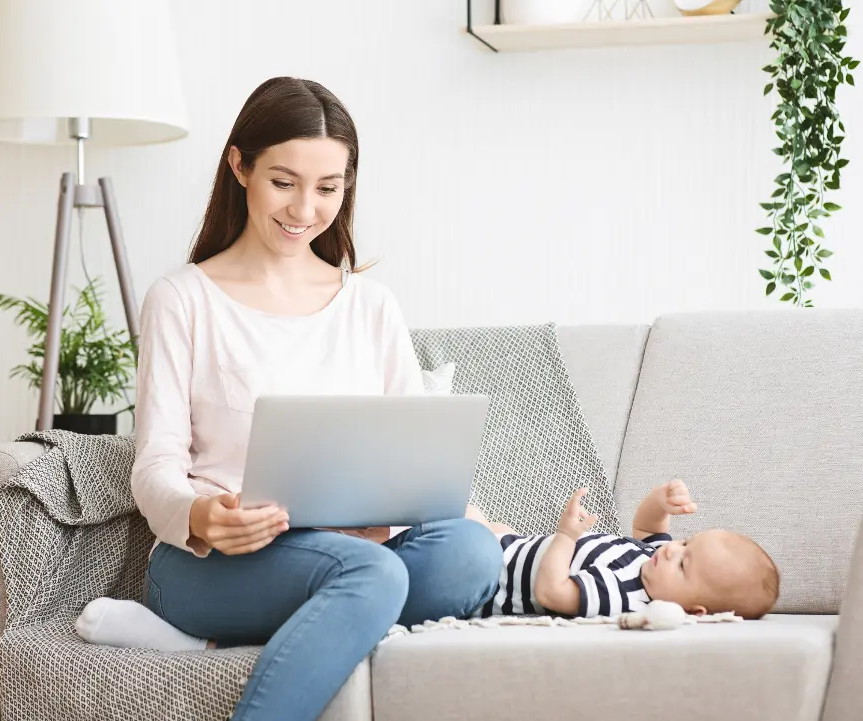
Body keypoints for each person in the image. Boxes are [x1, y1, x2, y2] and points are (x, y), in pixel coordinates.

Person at [73, 76, 503, 721]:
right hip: (219, 563)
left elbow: (418, 460)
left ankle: (241, 642)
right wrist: (199, 515)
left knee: (470, 553)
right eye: (284, 181)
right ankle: (305, 628)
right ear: (239, 165)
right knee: (374, 577)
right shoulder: (182, 299)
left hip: (354, 552)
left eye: (328, 188)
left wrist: (485, 525)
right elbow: (155, 462)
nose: (305, 209)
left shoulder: (371, 306)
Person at [467, 479, 780, 620]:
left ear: (693, 610)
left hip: (489, 577)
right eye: (687, 543)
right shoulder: (654, 560)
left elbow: (551, 592)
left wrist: (566, 536)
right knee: (494, 525)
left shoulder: (626, 596)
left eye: (684, 566)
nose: (673, 550)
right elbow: (647, 528)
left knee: (468, 515)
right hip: (513, 546)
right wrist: (660, 501)